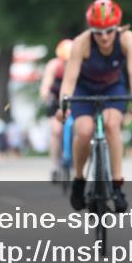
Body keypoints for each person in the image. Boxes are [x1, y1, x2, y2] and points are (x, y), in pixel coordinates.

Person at [57, 0, 132, 212]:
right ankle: (78, 180)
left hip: (113, 88)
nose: (104, 37)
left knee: (112, 124)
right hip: (84, 90)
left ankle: (116, 186)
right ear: (91, 30)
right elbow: (69, 80)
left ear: (117, 28)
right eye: (98, 32)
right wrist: (63, 106)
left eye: (109, 31)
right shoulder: (81, 43)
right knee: (84, 129)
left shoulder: (128, 39)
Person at [40, 38, 73, 181]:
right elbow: (46, 84)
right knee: (56, 130)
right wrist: (45, 94)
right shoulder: (54, 65)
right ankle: (55, 164)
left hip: (73, 100)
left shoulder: (79, 65)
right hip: (56, 101)